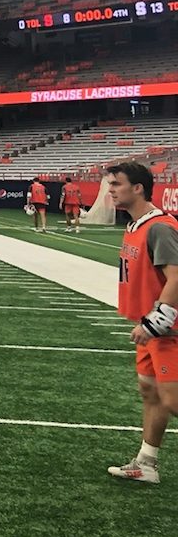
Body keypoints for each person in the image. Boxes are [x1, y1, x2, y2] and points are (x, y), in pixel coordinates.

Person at [106, 161, 178, 484]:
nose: (110, 190)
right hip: (151, 327)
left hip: (168, 328)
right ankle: (146, 463)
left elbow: (176, 277)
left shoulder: (159, 226)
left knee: (173, 400)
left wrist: (155, 321)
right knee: (149, 391)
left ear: (137, 188)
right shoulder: (134, 225)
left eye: (116, 184)